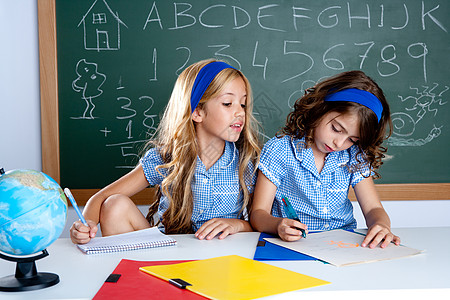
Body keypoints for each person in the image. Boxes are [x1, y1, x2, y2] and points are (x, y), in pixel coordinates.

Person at [70, 59, 261, 244]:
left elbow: (260, 222)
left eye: (243, 104)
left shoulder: (246, 161)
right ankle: (134, 273)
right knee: (114, 205)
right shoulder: (164, 158)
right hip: (169, 256)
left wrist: (236, 225)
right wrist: (85, 225)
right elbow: (101, 198)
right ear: (197, 112)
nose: (240, 112)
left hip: (221, 261)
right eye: (228, 103)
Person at [250, 70, 401, 249]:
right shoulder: (280, 150)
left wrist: (381, 225)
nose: (339, 143)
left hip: (342, 244)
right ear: (320, 109)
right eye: (336, 129)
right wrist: (277, 225)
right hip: (294, 245)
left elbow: (373, 209)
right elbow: (258, 214)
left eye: (352, 139)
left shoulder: (354, 154)